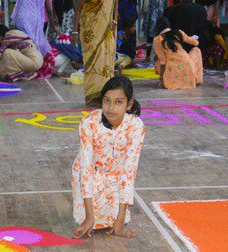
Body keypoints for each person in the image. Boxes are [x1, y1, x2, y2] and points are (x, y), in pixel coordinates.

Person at [71, 74, 144, 239]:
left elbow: (129, 171)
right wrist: (90, 215)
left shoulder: (136, 126)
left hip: (116, 177)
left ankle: (117, 216)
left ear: (129, 104)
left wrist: (119, 219)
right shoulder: (88, 122)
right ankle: (89, 212)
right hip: (89, 173)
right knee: (84, 220)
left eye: (118, 102)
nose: (111, 108)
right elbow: (86, 167)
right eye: (106, 100)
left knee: (119, 220)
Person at [76, 0, 116, 105]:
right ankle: (93, 96)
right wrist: (74, 31)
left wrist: (114, 20)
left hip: (106, 28)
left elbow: (114, 3)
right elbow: (79, 7)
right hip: (90, 28)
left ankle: (104, 94)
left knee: (105, 59)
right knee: (93, 61)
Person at [153, 16, 202, 88]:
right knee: (196, 50)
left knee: (159, 59)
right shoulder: (178, 32)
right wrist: (192, 38)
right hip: (188, 67)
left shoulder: (156, 39)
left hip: (171, 71)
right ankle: (197, 80)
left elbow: (162, 60)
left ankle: (168, 78)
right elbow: (196, 43)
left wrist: (161, 79)